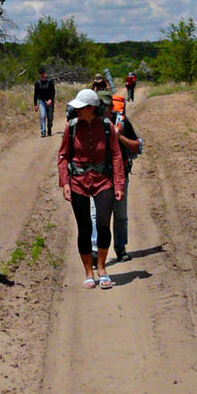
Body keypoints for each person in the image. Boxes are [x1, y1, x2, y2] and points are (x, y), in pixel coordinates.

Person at [58, 88, 125, 289]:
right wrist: (65, 182)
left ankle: (102, 268)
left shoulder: (106, 127)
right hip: (78, 182)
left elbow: (116, 156)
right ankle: (89, 271)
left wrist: (119, 184)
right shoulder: (71, 127)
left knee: (104, 224)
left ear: (91, 108)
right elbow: (63, 156)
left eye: (81, 108)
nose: (77, 111)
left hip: (103, 181)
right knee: (85, 227)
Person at [108, 92, 143, 261]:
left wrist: (119, 137)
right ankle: (94, 251)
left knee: (120, 213)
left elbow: (137, 146)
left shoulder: (122, 122)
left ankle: (120, 249)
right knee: (96, 215)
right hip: (97, 175)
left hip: (120, 174)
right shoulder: (92, 124)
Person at [33, 67, 56, 137]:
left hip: (49, 101)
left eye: (43, 73)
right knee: (42, 116)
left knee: (50, 116)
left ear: (45, 73)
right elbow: (35, 94)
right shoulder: (37, 83)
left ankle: (49, 128)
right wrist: (35, 104)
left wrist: (51, 100)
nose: (42, 75)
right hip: (41, 101)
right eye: (40, 73)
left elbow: (53, 92)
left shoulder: (50, 82)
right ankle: (43, 131)